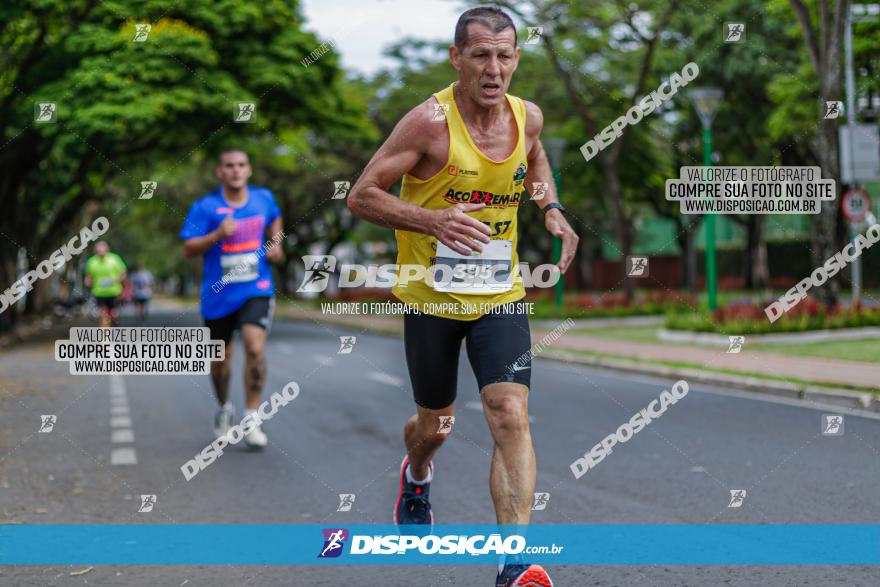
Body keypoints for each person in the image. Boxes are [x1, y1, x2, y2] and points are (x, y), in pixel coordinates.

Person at [348, 7, 578, 587]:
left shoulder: (528, 117)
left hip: (500, 291)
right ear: (457, 58)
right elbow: (362, 195)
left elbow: (535, 159)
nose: (494, 68)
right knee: (437, 424)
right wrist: (433, 221)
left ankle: (513, 562)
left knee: (510, 413)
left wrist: (549, 207)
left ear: (517, 59)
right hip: (431, 297)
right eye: (480, 55)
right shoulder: (428, 123)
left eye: (504, 55)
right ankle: (417, 473)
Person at [180, 148, 284, 449]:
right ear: (220, 172)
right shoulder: (205, 207)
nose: (236, 170)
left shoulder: (263, 198)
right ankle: (224, 408)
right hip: (217, 294)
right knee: (220, 361)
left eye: (241, 165)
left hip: (256, 287)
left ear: (248, 170)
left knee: (254, 347)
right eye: (229, 166)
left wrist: (275, 244)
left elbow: (276, 220)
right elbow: (188, 249)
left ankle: (252, 417)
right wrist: (215, 235)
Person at [84, 241, 127, 328]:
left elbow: (123, 274)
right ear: (96, 250)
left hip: (114, 292)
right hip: (99, 292)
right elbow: (89, 276)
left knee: (113, 314)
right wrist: (88, 281)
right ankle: (104, 338)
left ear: (107, 249)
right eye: (99, 249)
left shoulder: (115, 259)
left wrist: (117, 281)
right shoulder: (91, 261)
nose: (101, 251)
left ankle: (113, 323)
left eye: (103, 249)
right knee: (103, 314)